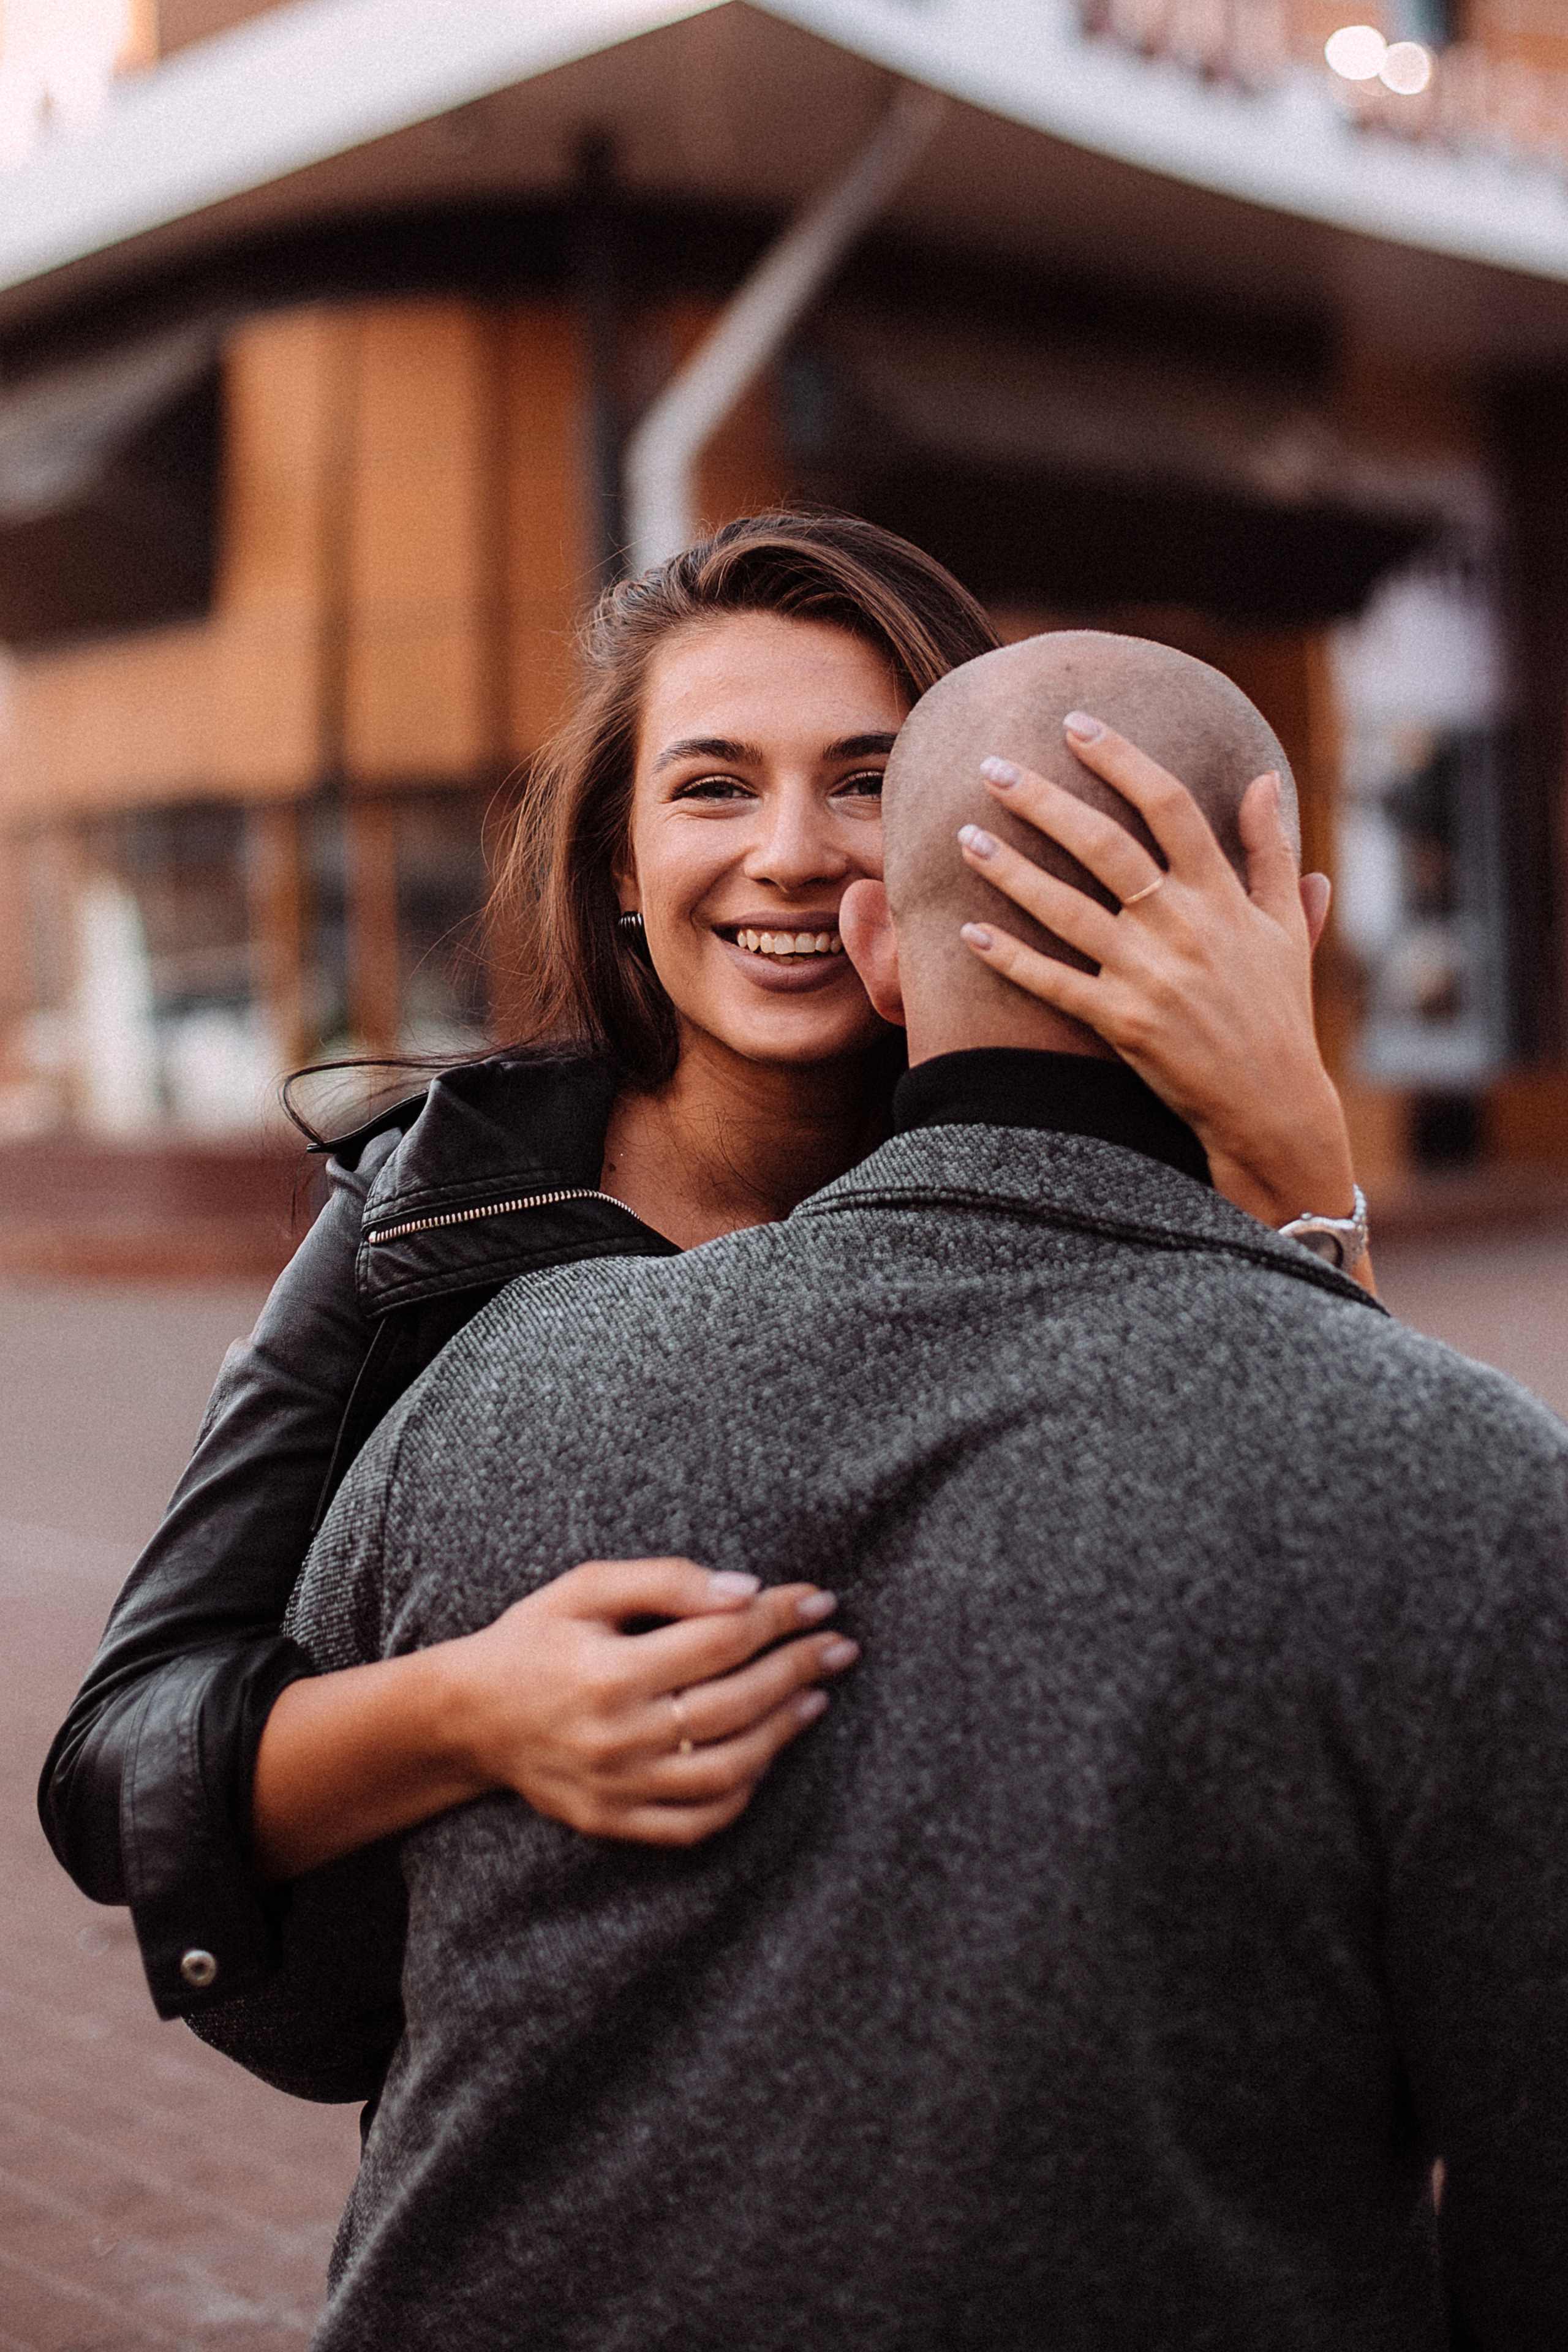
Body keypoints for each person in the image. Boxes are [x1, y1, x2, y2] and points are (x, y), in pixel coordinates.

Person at [283, 629, 1568, 2350]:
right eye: (714, 785)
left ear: (879, 946)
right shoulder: (1459, 1483)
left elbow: (318, 1970)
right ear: (1298, 933)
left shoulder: (499, 1374)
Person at [38, 513, 1363, 2049]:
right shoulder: (429, 1205)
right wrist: (476, 1710)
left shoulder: (1090, 1178)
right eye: (712, 786)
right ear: (621, 854)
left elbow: (1357, 1597)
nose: (788, 853)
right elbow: (115, 1770)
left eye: (865, 783)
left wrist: (1295, 1157)